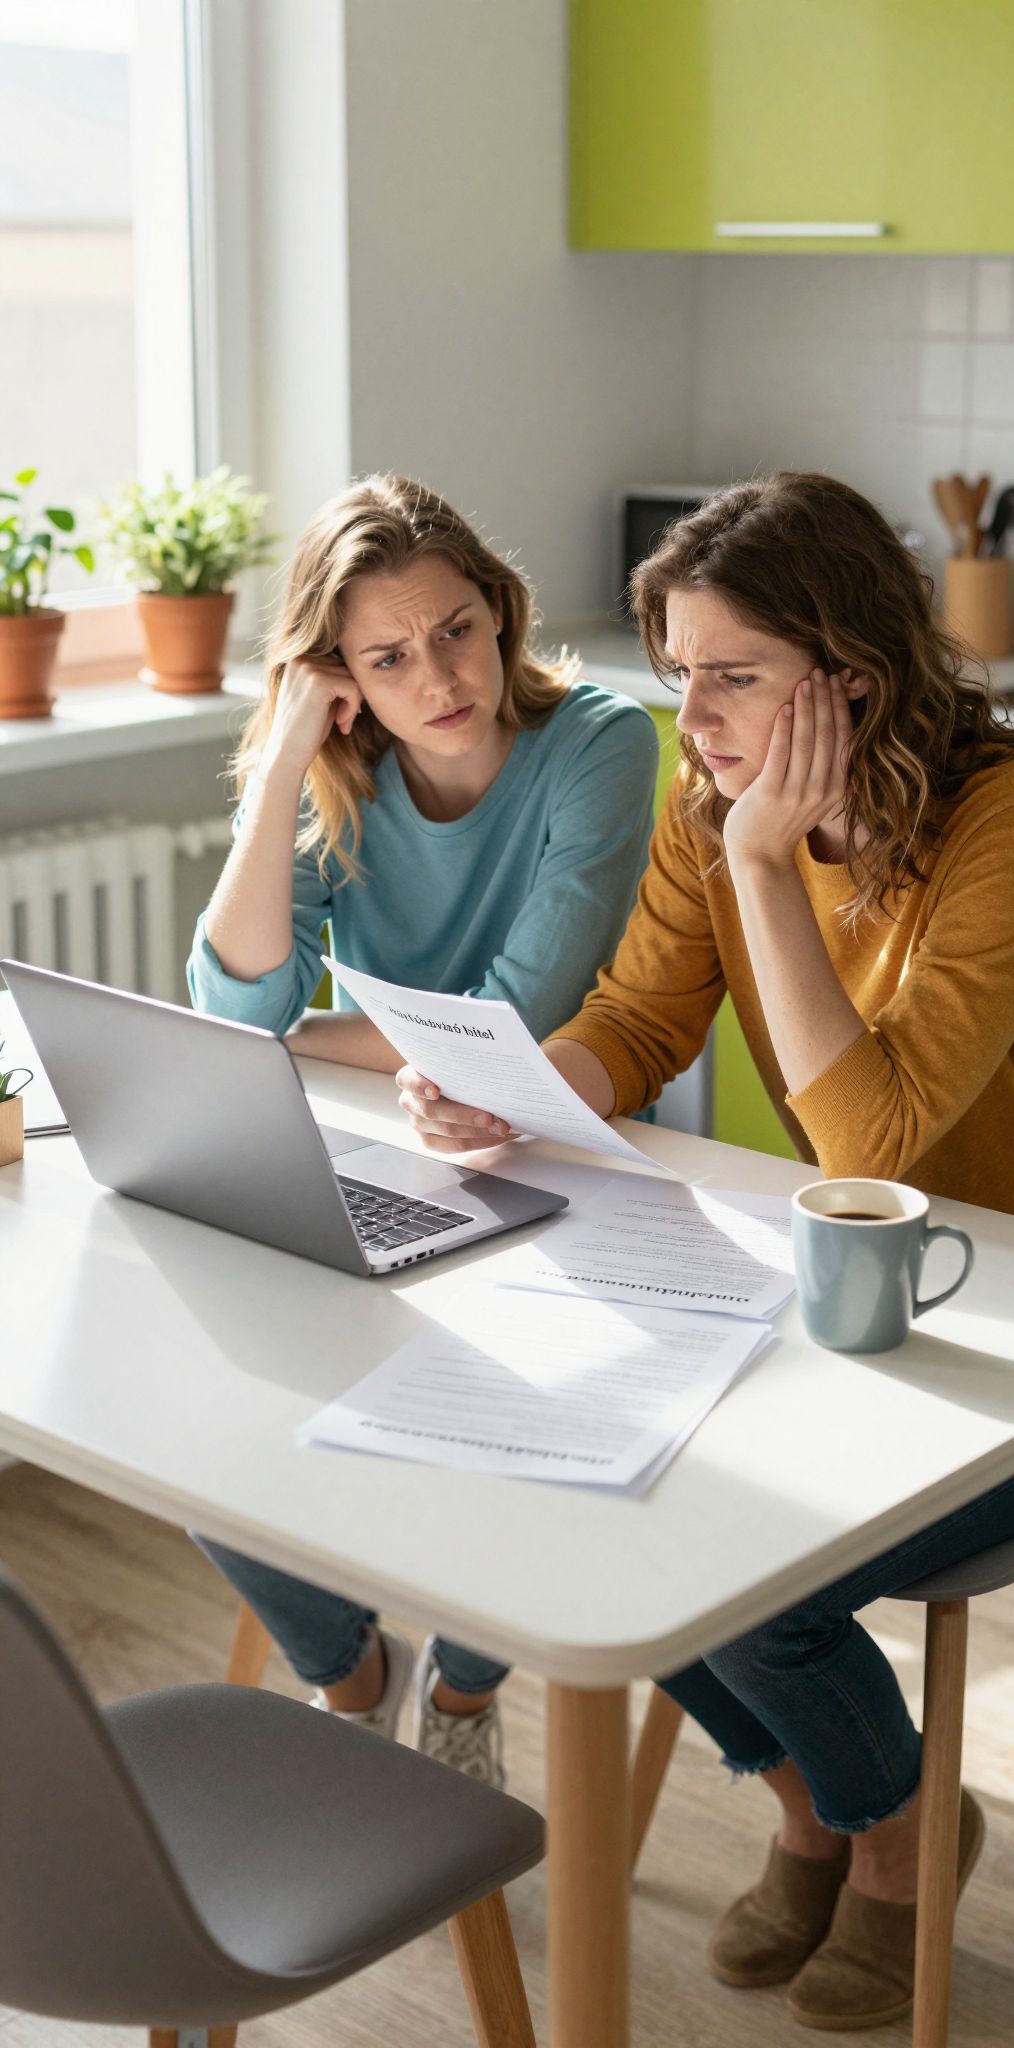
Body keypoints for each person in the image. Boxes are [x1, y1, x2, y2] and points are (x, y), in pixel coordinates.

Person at [395, 473, 1014, 2026]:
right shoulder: (711, 798)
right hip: (859, 1292)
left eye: (734, 676)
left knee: (745, 1567)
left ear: (849, 674)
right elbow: (643, 1018)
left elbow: (876, 1140)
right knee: (608, 1494)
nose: (701, 712)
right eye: (681, 674)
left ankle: (900, 1839)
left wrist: (761, 861)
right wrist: (518, 1092)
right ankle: (819, 1805)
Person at [186, 473, 658, 1786]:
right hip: (379, 1134)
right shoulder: (336, 769)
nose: (440, 676)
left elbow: (521, 1013)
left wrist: (307, 1037)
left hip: (565, 1154)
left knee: (512, 1423)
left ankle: (463, 1675)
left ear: (500, 615)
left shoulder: (602, 744)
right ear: (337, 676)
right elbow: (233, 1001)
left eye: (457, 628)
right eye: (388, 657)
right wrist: (284, 756)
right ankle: (352, 1672)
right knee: (190, 1390)